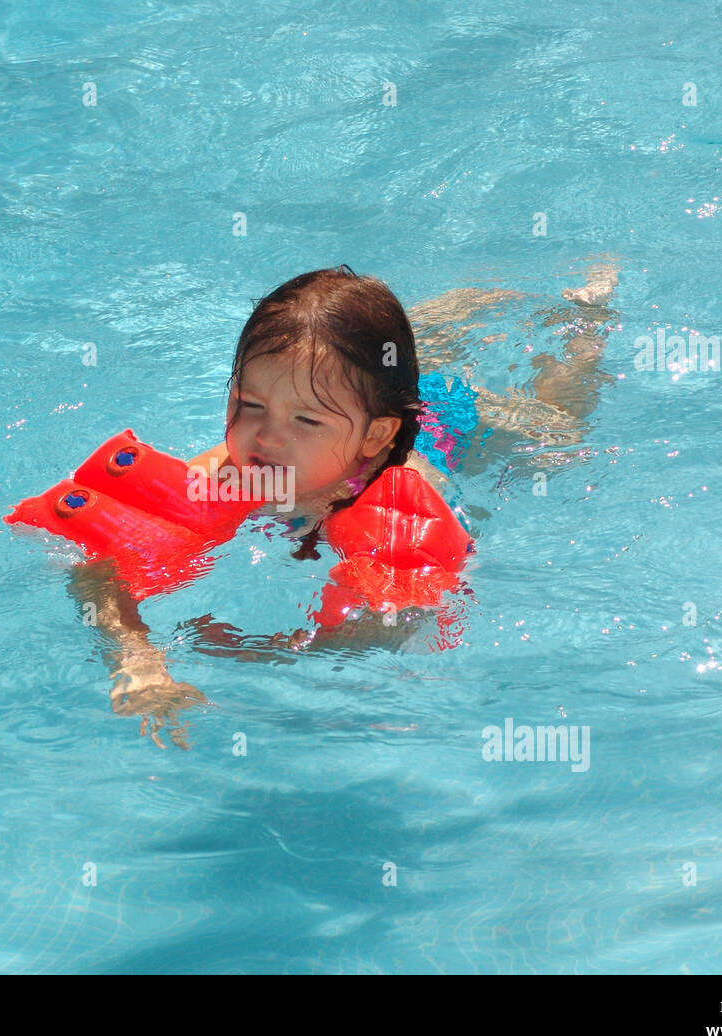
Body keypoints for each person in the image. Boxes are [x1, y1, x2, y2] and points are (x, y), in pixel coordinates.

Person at [68, 262, 620, 748]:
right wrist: (137, 658)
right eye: (249, 404)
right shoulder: (226, 472)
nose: (267, 437)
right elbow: (104, 567)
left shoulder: (404, 488)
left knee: (555, 427)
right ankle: (435, 322)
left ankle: (583, 331)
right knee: (378, 357)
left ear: (376, 436)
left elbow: (396, 620)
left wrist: (271, 652)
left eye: (306, 421)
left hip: (445, 424)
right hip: (368, 397)